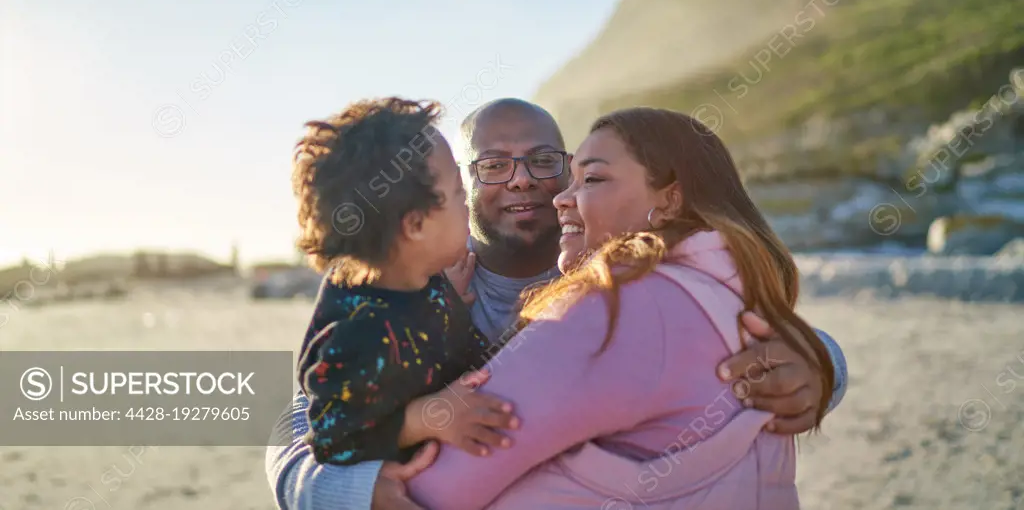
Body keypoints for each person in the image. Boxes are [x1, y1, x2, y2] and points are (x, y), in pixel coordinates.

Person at [266, 98, 849, 510]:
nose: (521, 180)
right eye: (493, 164)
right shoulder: (405, 281)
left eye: (544, 161)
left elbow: (724, 328)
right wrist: (343, 492)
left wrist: (820, 363)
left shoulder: (620, 279)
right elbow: (303, 411)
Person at [290, 98, 515, 466]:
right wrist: (424, 418)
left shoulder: (425, 285)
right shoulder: (362, 332)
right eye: (459, 194)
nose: (467, 205)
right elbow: (330, 438)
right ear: (415, 226)